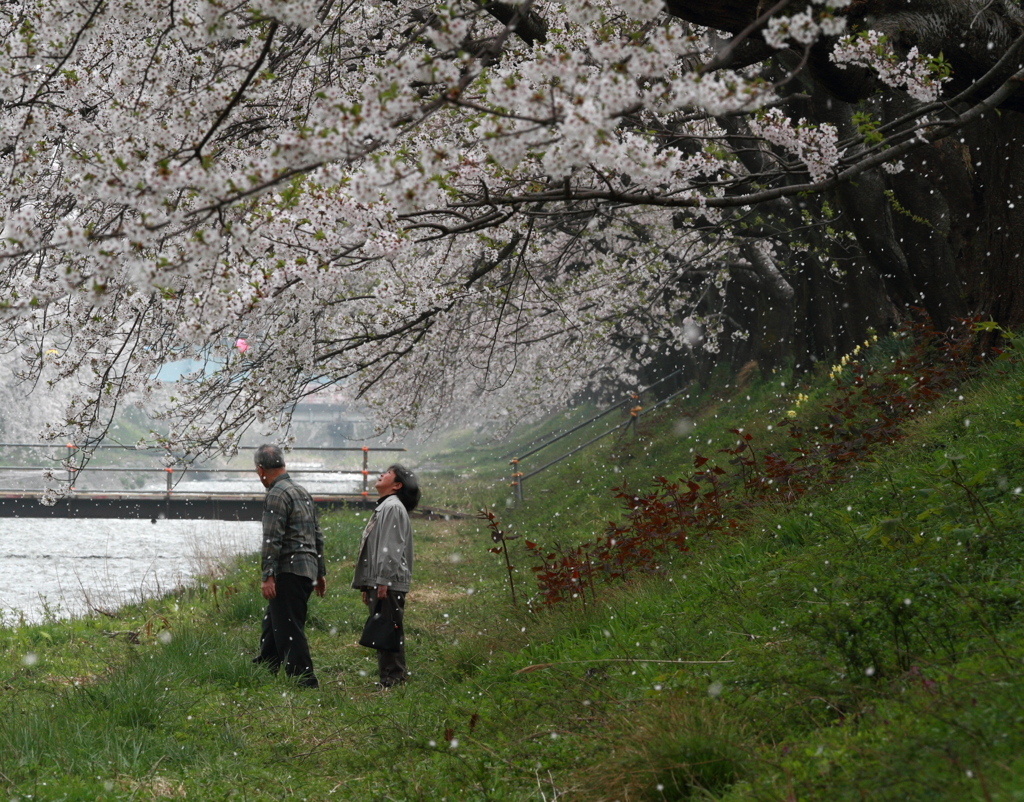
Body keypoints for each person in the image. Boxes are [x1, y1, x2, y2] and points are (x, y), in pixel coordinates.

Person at [253, 444, 326, 688]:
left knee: (289, 630)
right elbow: (317, 534)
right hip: (306, 570)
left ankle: (305, 681)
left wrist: (268, 576)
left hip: (288, 570)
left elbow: (271, 538)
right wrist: (320, 572)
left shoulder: (276, 494)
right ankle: (266, 667)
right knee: (274, 621)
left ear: (261, 470)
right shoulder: (301, 491)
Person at [352, 464, 420, 689]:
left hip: (388, 581)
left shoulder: (392, 507)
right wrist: (367, 585)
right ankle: (389, 678)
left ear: (397, 485)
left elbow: (390, 548)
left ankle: (393, 680)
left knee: (388, 629)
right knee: (383, 628)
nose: (381, 475)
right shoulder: (386, 506)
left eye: (388, 474)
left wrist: (383, 580)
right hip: (381, 580)